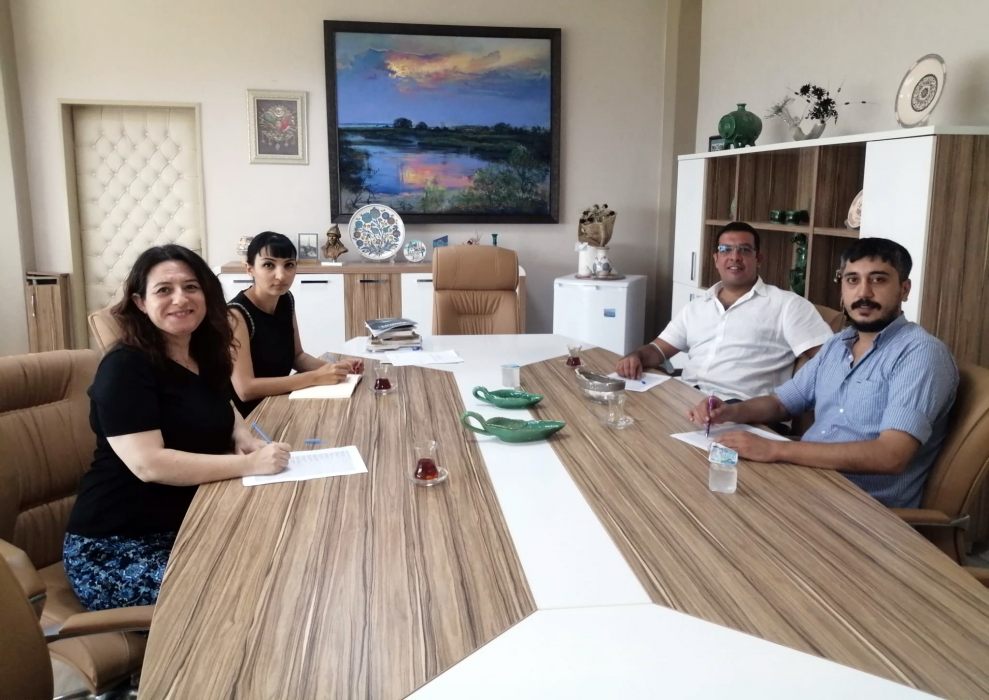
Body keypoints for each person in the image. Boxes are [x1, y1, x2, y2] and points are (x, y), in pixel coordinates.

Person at [63, 245, 292, 611]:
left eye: (191, 287)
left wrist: (241, 434)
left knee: (283, 556)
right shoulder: (125, 368)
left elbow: (223, 403)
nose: (180, 299)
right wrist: (249, 464)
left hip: (187, 524)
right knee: (241, 598)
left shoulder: (203, 351)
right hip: (115, 546)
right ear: (140, 302)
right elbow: (149, 464)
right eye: (164, 290)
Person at [688, 238, 958, 509]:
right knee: (694, 485)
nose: (863, 292)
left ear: (904, 289)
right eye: (852, 280)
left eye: (878, 280)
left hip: (859, 508)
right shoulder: (837, 344)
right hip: (804, 483)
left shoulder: (920, 353)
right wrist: (730, 411)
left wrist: (774, 449)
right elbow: (782, 403)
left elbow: (891, 456)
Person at [616, 222, 834, 402]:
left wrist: (791, 403)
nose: (735, 256)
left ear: (758, 259)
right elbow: (658, 350)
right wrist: (636, 356)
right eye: (726, 250)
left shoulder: (787, 305)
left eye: (745, 250)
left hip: (742, 410)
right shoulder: (697, 307)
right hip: (686, 398)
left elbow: (831, 362)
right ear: (716, 259)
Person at [229, 231, 363, 417]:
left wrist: (337, 369)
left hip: (281, 402)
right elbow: (245, 390)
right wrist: (315, 377)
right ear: (249, 269)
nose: (281, 275)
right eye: (268, 265)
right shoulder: (235, 316)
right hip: (251, 417)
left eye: (289, 265)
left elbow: (297, 357)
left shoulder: (285, 299)